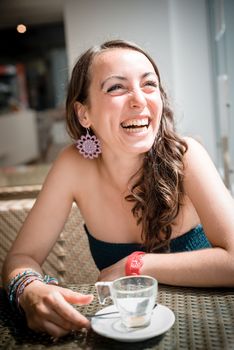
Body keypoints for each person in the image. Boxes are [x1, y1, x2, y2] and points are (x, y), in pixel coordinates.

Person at [2, 39, 234, 338]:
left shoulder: (188, 155)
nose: (139, 100)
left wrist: (134, 265)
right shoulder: (73, 164)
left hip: (208, 324)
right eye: (116, 87)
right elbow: (20, 258)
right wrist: (29, 290)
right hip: (119, 330)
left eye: (149, 85)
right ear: (83, 113)